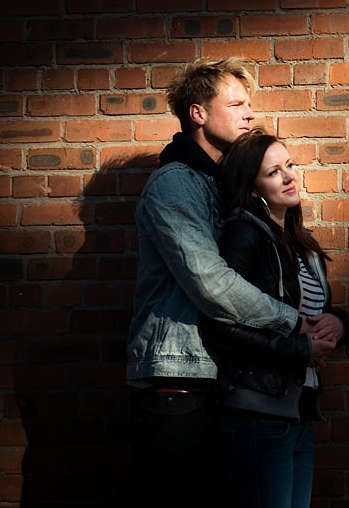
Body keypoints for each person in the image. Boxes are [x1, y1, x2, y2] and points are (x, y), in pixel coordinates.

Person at [126, 58, 305, 505]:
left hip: (216, 381)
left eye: (250, 105)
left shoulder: (221, 186)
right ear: (198, 115)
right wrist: (292, 322)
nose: (250, 114)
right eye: (237, 104)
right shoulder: (175, 184)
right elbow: (211, 283)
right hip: (176, 383)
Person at [200, 127, 349, 508]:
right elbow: (221, 327)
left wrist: (341, 323)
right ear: (253, 189)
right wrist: (300, 348)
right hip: (257, 413)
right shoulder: (243, 236)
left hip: (298, 411)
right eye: (273, 172)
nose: (289, 176)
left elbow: (307, 313)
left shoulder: (303, 247)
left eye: (289, 165)